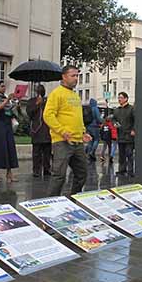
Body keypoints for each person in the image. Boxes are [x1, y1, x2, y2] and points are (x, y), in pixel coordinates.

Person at [44, 65, 92, 196]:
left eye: (77, 76)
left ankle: (73, 198)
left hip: (77, 142)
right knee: (59, 176)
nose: (76, 79)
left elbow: (77, 117)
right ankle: (51, 203)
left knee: (82, 173)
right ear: (64, 77)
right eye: (73, 76)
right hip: (62, 141)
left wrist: (83, 132)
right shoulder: (56, 93)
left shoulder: (75, 96)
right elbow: (48, 115)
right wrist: (61, 131)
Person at [26, 85, 52, 177]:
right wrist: (37, 104)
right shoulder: (31, 101)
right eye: (39, 90)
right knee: (36, 153)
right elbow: (29, 113)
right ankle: (36, 170)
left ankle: (47, 169)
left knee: (47, 152)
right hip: (36, 130)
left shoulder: (48, 101)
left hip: (47, 130)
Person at [113, 92, 135, 176]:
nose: (119, 99)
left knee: (129, 154)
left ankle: (130, 171)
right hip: (120, 135)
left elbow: (136, 120)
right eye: (118, 98)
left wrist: (134, 130)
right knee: (121, 155)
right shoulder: (117, 110)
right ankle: (122, 170)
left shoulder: (131, 109)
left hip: (129, 135)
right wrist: (115, 123)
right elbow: (114, 119)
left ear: (126, 99)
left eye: (121, 98)